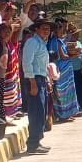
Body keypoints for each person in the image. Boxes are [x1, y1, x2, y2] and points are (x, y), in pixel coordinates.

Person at [21, 16, 52, 153]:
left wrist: (48, 80)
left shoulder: (42, 43)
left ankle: (37, 140)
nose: (46, 31)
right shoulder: (32, 42)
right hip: (34, 80)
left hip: (41, 79)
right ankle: (33, 144)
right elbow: (27, 63)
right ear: (37, 29)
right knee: (36, 112)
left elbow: (43, 65)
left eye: (48, 29)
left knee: (42, 112)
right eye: (44, 28)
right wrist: (33, 83)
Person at [47, 19, 81, 122]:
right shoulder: (56, 41)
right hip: (62, 70)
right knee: (63, 92)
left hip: (65, 70)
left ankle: (68, 113)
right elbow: (62, 56)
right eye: (61, 29)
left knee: (67, 92)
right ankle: (63, 114)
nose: (62, 31)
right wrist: (73, 54)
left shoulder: (58, 41)